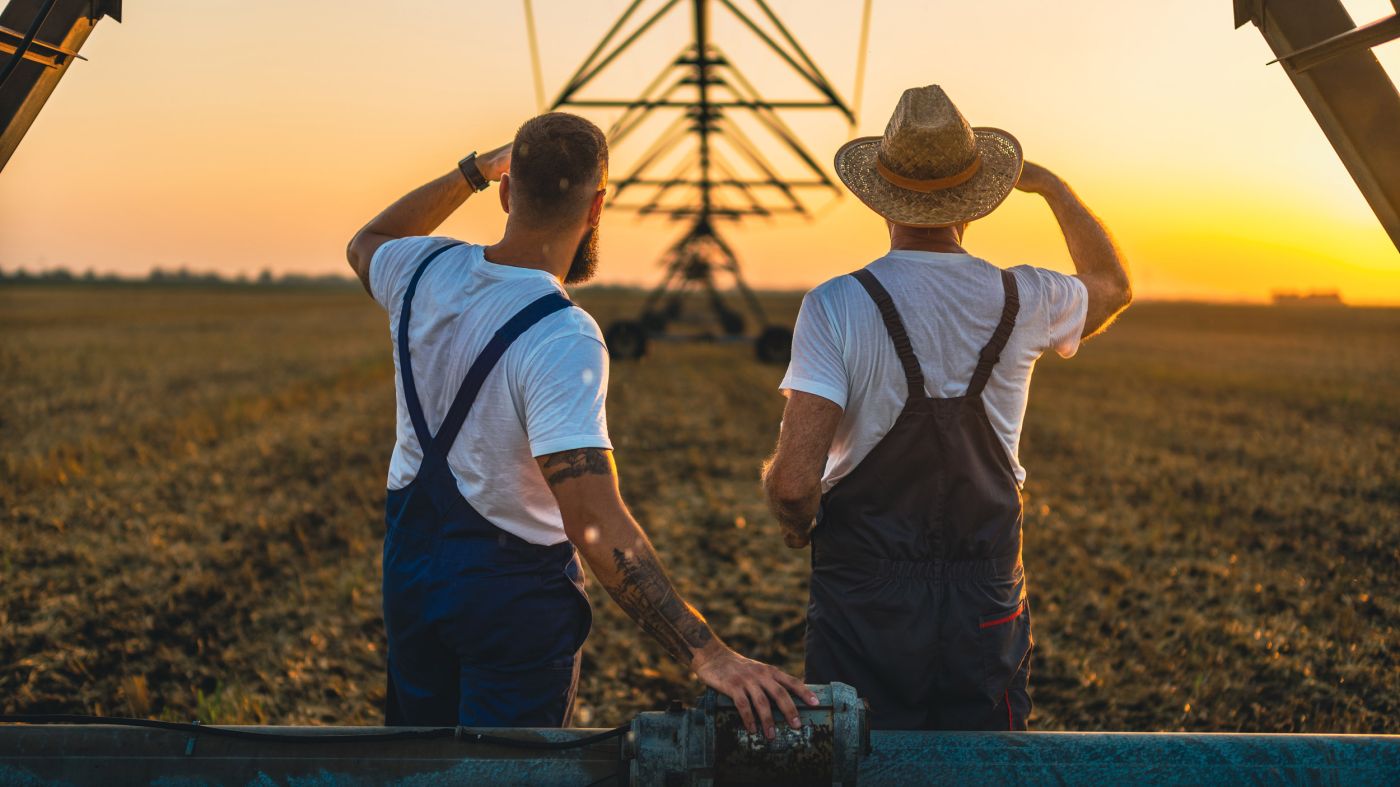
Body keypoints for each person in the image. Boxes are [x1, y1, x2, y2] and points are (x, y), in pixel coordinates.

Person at [346, 112, 816, 734]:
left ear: (509, 191)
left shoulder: (422, 271)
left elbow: (367, 239)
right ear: (598, 207)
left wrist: (473, 172)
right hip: (513, 604)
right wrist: (708, 653)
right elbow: (594, 523)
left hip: (410, 577)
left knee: (416, 767)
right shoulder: (561, 333)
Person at [760, 85, 1132, 730]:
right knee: (984, 761)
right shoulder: (1026, 297)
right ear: (976, 203)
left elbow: (795, 484)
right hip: (984, 590)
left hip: (865, 594)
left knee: (858, 755)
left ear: (882, 197)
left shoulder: (835, 304)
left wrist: (797, 527)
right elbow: (1113, 286)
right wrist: (1055, 189)